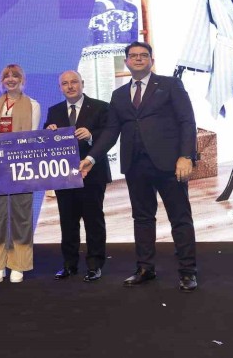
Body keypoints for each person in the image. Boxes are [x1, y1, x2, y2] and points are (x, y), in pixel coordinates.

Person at [80, 41, 199, 291]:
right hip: (136, 166)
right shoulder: (119, 95)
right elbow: (111, 131)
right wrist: (91, 158)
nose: (138, 59)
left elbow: (187, 121)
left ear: (151, 61)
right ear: (126, 62)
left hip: (170, 164)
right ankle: (145, 269)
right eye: (133, 56)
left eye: (143, 55)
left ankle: (188, 272)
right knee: (142, 218)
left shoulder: (170, 85)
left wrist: (186, 156)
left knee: (180, 218)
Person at [0, 64, 41, 283]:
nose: (11, 79)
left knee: (21, 214)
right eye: (6, 76)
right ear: (1, 81)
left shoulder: (33, 105)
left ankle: (19, 263)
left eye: (15, 76)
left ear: (22, 80)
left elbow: (32, 136)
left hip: (21, 166)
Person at [44, 70, 111, 282]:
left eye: (74, 82)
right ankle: (69, 265)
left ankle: (94, 265)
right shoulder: (54, 111)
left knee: (93, 220)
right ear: (60, 88)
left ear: (82, 83)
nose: (70, 86)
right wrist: (48, 132)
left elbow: (108, 136)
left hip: (92, 173)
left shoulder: (100, 107)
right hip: (63, 175)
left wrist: (91, 136)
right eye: (65, 83)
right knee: (67, 221)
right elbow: (45, 141)